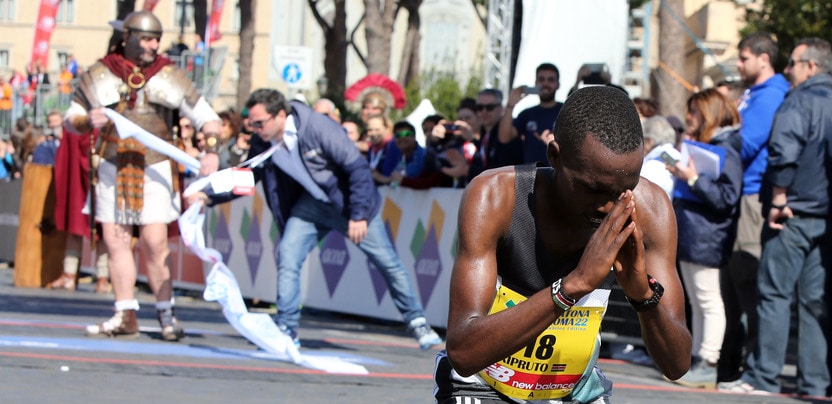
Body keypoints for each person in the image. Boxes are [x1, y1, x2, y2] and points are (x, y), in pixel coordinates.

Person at [382, 85, 714, 404]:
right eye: (594, 189)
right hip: (488, 400)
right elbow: (464, 350)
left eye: (623, 188)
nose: (609, 207)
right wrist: (573, 286)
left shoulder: (649, 208)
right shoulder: (495, 196)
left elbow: (677, 364)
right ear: (554, 155)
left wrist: (641, 294)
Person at [202, 89, 441, 349]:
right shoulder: (264, 140)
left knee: (387, 262)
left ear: (280, 115)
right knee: (287, 255)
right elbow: (247, 176)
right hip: (313, 204)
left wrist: (358, 214)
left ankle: (418, 321)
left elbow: (357, 168)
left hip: (350, 204)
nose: (256, 130)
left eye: (260, 123)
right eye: (253, 124)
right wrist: (207, 196)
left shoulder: (316, 127)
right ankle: (286, 328)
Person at [64, 10, 222, 340]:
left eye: (156, 40)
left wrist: (211, 150)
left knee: (155, 242)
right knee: (116, 241)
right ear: (129, 38)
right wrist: (86, 120)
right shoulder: (101, 72)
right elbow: (72, 117)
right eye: (147, 39)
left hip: (155, 166)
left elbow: (208, 118)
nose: (153, 46)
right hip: (112, 165)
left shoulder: (169, 73)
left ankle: (166, 313)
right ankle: (125, 314)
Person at [749, 38, 832, 397]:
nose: (787, 69)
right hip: (827, 216)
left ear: (811, 66)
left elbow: (783, 149)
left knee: (774, 295)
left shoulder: (798, 101)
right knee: (814, 302)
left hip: (792, 212)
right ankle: (814, 382)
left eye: (792, 62)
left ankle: (764, 376)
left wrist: (778, 197)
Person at [720, 32, 789, 392]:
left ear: (764, 59)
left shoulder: (771, 94)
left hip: (752, 195)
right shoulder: (753, 93)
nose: (739, 64)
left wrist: (719, 140)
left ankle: (758, 366)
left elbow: (746, 144)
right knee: (735, 282)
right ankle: (739, 364)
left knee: (749, 278)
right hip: (741, 194)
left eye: (744, 57)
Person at [665, 89, 743, 388]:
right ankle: (699, 358)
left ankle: (708, 361)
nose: (689, 117)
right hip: (695, 233)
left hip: (707, 235)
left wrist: (694, 179)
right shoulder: (711, 145)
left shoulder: (726, 149)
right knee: (697, 300)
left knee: (708, 299)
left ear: (709, 113)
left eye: (695, 112)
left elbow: (727, 197)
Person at [500, 63, 562, 166]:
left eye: (551, 80)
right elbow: (504, 137)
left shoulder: (565, 110)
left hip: (558, 172)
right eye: (541, 79)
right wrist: (510, 105)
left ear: (558, 85)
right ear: (535, 83)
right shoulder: (527, 114)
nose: (545, 83)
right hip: (531, 173)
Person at [467, 88, 520, 179]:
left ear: (501, 109)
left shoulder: (506, 131)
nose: (484, 111)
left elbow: (502, 170)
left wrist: (467, 170)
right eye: (480, 107)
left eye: (490, 107)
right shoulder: (485, 132)